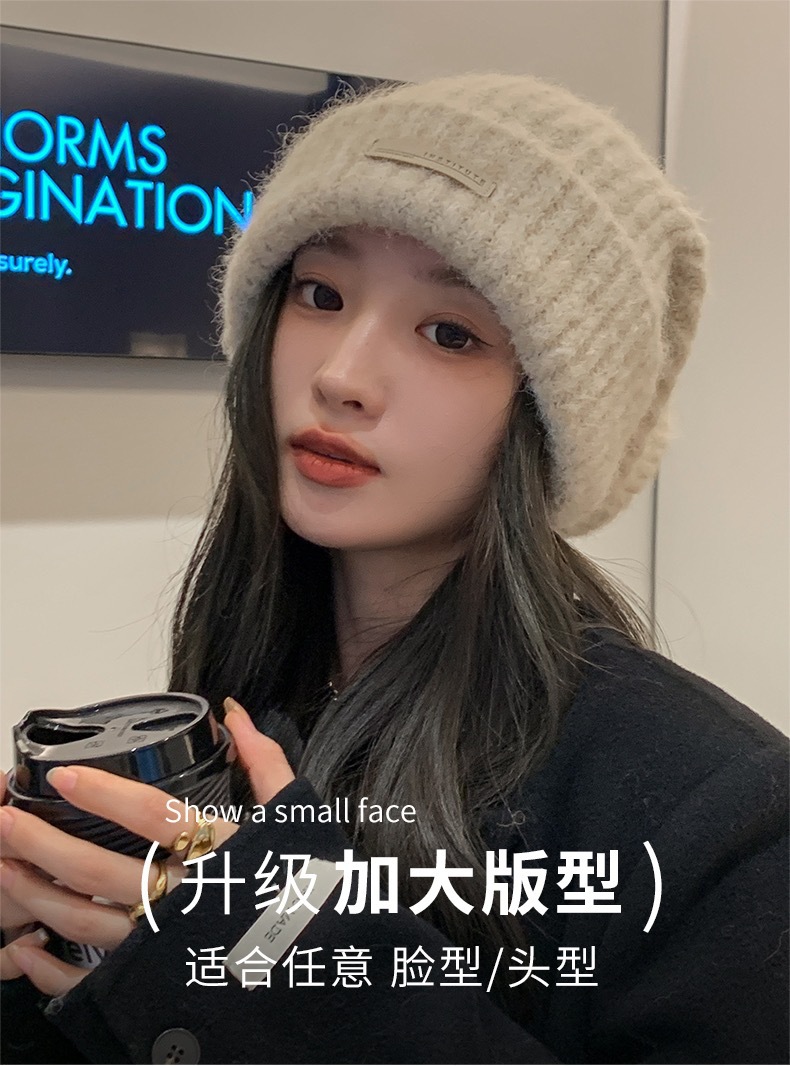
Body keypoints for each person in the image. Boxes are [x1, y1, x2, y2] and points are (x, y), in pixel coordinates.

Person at [1, 72, 787, 1066]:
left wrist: (280, 949)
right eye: (321, 294)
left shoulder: (717, 811)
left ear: (548, 417)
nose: (342, 375)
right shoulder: (247, 703)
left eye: (450, 333)